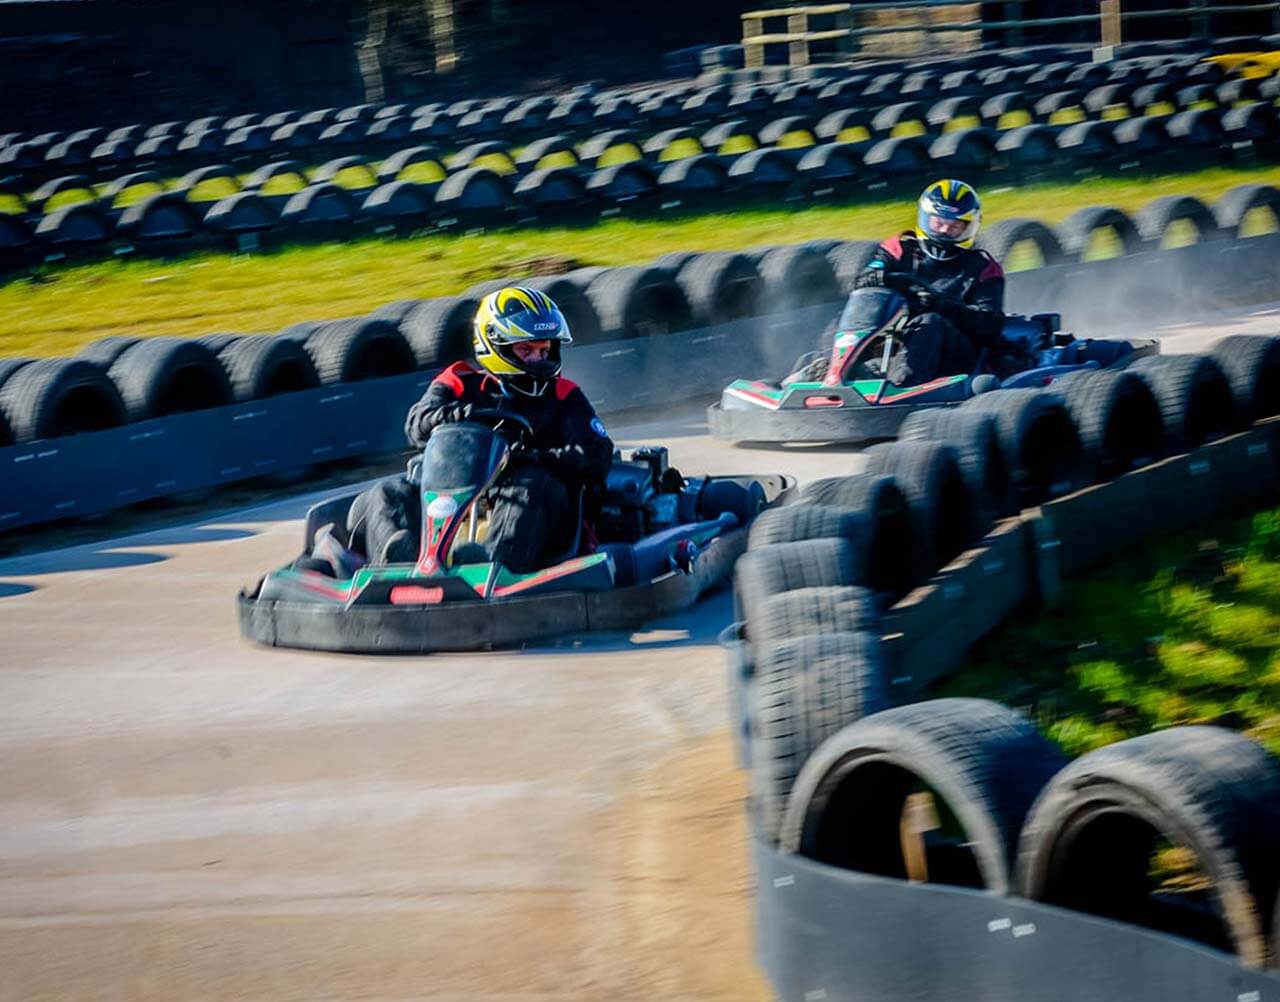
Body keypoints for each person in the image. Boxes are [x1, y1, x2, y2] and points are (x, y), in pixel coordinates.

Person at [347, 286, 613, 572]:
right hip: (454, 487)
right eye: (527, 350)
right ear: (494, 344)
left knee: (532, 484)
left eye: (544, 350)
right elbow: (416, 425)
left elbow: (596, 453)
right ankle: (403, 563)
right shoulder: (460, 381)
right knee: (388, 491)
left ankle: (492, 566)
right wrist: (457, 415)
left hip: (530, 500)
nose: (538, 359)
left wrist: (533, 458)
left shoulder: (563, 394)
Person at [789, 179, 1006, 387]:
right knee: (855, 311)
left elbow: (989, 325)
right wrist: (872, 277)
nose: (943, 231)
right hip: (896, 333)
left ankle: (901, 386)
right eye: (938, 223)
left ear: (969, 226)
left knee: (930, 322)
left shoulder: (983, 268)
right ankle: (829, 370)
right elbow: (866, 279)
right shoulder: (901, 248)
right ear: (925, 218)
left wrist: (940, 305)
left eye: (954, 226)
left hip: (954, 354)